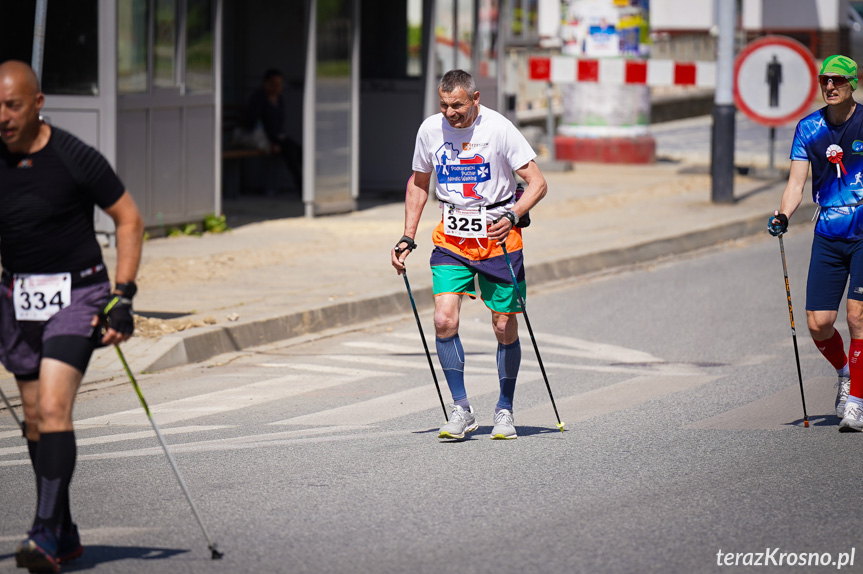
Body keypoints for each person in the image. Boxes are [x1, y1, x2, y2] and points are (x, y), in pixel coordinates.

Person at [0, 60, 144, 572]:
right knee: (36, 420)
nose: (3, 116)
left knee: (55, 408)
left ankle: (42, 534)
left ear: (37, 105)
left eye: (12, 105)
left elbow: (128, 219)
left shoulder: (73, 156)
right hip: (17, 300)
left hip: (77, 297)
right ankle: (64, 528)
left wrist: (121, 295)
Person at [391, 69, 547, 440]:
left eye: (458, 105)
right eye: (444, 105)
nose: (450, 113)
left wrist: (514, 213)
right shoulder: (430, 130)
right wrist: (406, 237)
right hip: (451, 239)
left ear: (476, 99)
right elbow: (419, 183)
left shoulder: (500, 129)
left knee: (503, 325)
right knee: (444, 320)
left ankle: (505, 408)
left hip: (498, 239)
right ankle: (461, 409)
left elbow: (537, 182)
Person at [768, 54, 863, 432]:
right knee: (819, 323)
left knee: (857, 316)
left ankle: (856, 400)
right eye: (825, 80)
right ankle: (845, 372)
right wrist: (783, 215)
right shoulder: (809, 127)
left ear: (852, 83)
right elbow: (796, 183)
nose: (829, 87)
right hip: (828, 233)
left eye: (837, 81)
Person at [244, 68, 303, 191]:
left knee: (300, 152)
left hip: (279, 137)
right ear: (265, 83)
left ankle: (308, 186)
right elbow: (254, 124)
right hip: (264, 138)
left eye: (279, 84)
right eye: (273, 84)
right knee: (290, 154)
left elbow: (279, 124)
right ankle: (302, 188)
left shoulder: (279, 99)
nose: (276, 87)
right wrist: (272, 143)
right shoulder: (258, 99)